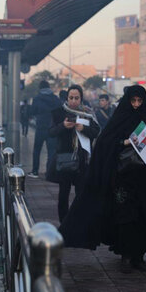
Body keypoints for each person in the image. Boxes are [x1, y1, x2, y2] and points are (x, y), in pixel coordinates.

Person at [59, 85, 146, 275]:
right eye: (133, 101)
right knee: (126, 216)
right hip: (123, 178)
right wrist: (126, 142)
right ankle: (126, 255)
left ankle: (138, 256)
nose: (136, 105)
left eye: (140, 101)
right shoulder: (120, 118)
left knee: (144, 215)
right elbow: (105, 143)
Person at [48, 85, 99, 222]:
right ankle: (64, 223)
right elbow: (51, 132)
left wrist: (84, 128)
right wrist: (63, 126)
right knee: (63, 194)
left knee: (81, 194)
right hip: (65, 159)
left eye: (77, 98)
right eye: (71, 98)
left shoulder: (88, 113)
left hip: (83, 160)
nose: (74, 101)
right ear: (67, 98)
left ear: (81, 99)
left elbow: (96, 132)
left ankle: (78, 224)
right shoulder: (58, 113)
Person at [28, 80, 62, 178]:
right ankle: (49, 173)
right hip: (52, 128)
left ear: (40, 88)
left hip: (40, 127)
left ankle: (35, 171)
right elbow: (59, 111)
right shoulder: (55, 99)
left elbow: (33, 111)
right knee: (51, 151)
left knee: (37, 150)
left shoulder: (37, 98)